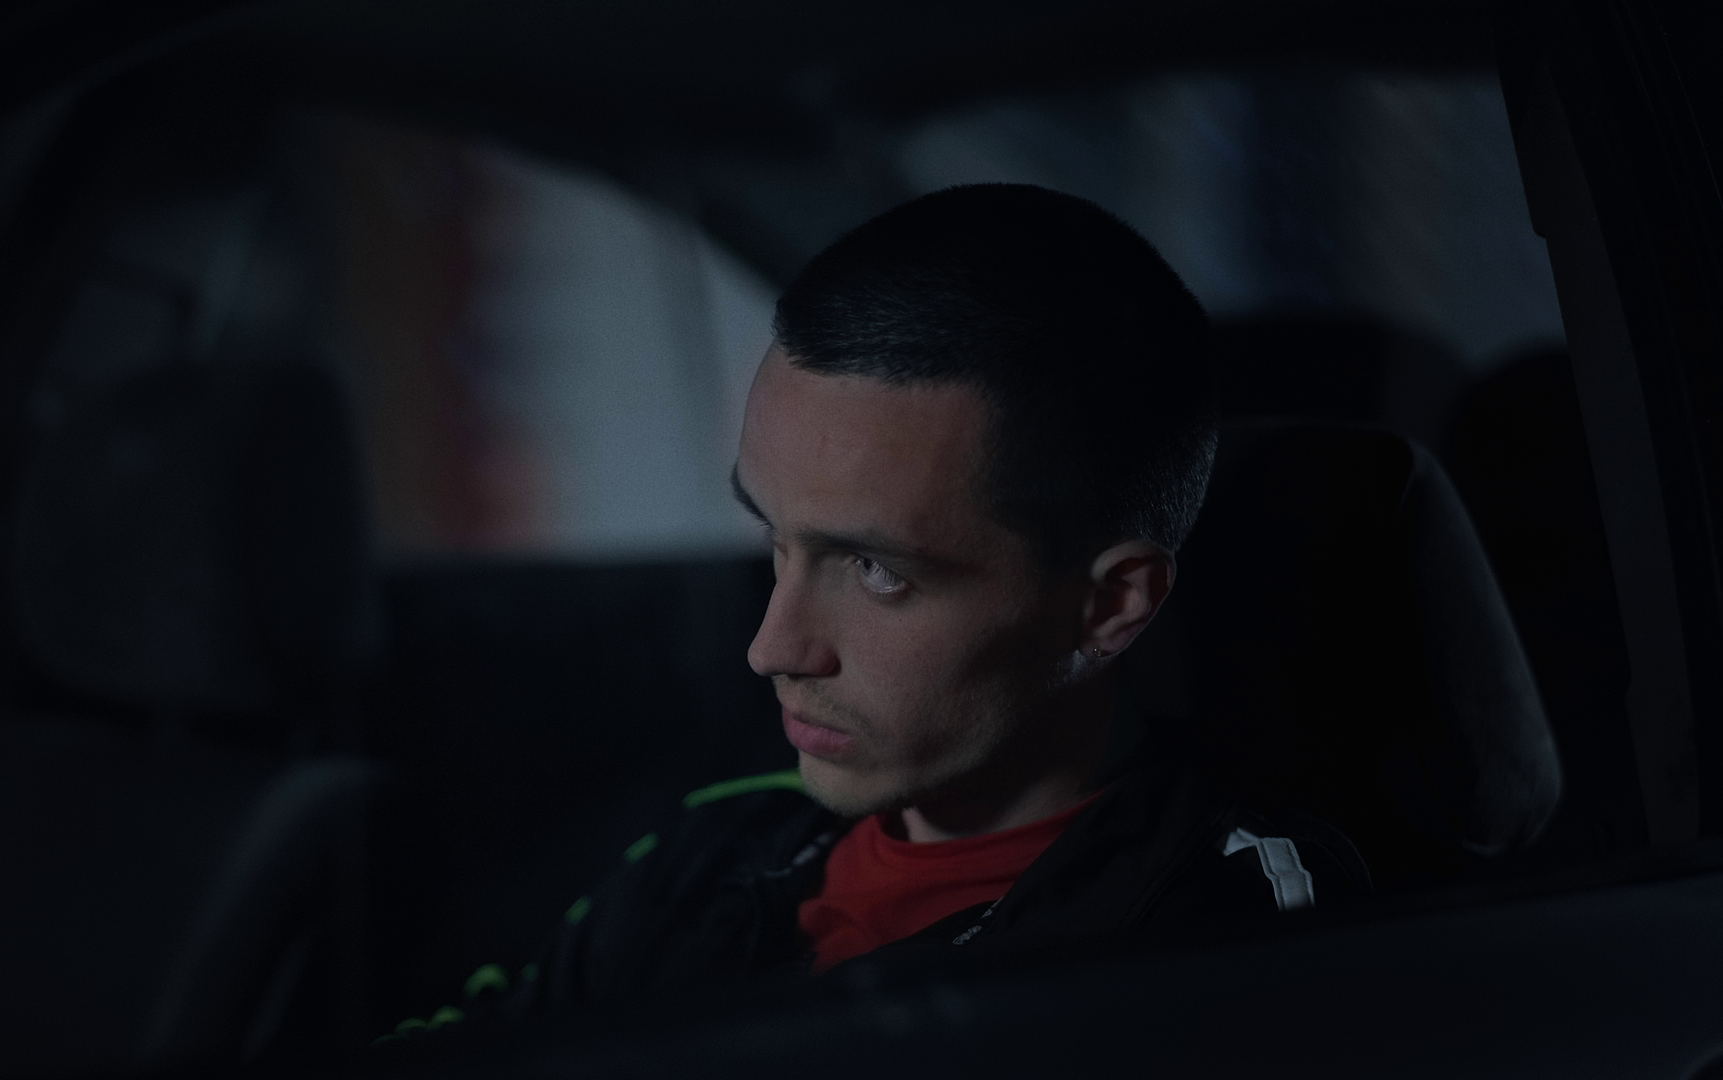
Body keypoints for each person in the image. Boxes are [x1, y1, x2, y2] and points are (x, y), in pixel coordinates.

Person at [383, 183, 1367, 1044]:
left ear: (1108, 606)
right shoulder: (714, 855)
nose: (773, 647)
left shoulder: (1227, 928)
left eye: (876, 570)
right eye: (775, 539)